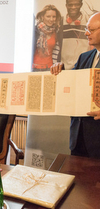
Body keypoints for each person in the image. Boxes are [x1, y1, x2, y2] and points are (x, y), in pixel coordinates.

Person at [50, 12, 100, 158]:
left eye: (91, 30)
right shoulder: (84, 57)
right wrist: (60, 70)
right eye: (86, 29)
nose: (86, 33)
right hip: (78, 137)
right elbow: (72, 85)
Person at [56, 0, 91, 70]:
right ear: (66, 6)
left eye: (76, 4)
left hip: (84, 67)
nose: (73, 7)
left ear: (81, 5)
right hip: (64, 68)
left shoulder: (88, 20)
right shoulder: (60, 21)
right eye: (70, 5)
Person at [32, 5, 61, 71]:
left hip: (50, 68)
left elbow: (56, 52)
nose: (51, 19)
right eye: (48, 16)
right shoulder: (35, 31)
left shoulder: (56, 32)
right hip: (34, 68)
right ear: (42, 17)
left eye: (54, 17)